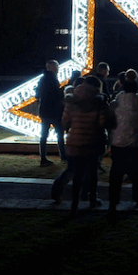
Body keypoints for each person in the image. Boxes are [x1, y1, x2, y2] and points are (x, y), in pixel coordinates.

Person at [51, 75, 114, 216]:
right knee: (93, 174)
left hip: (75, 142)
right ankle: (92, 199)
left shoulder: (71, 101)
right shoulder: (100, 102)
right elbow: (103, 123)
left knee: (77, 175)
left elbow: (65, 122)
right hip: (94, 142)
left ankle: (74, 205)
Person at [108, 77, 138, 217]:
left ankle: (113, 200)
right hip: (136, 140)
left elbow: (110, 114)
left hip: (118, 140)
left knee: (116, 172)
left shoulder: (116, 100)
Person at [36, 60, 66, 167]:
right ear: (52, 67)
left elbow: (37, 95)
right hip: (53, 111)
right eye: (57, 67)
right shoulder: (52, 79)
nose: (58, 69)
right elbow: (55, 95)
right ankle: (63, 155)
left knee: (44, 135)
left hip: (44, 110)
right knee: (59, 133)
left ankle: (43, 158)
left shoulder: (43, 79)